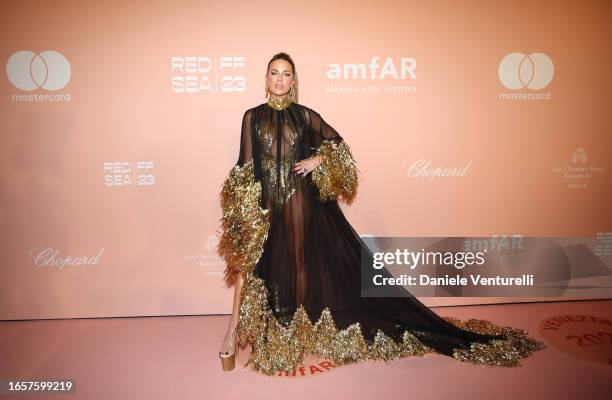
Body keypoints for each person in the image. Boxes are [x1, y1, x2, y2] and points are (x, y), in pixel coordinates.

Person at [217, 52, 546, 375]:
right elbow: (244, 165)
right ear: (266, 78)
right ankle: (238, 329)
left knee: (300, 264)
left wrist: (317, 160)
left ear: (293, 80)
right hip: (265, 205)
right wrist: (241, 209)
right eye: (274, 72)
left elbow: (337, 145)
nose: (279, 79)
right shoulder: (252, 116)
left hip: (301, 204)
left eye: (286, 73)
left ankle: (297, 327)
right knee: (258, 264)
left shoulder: (304, 116)